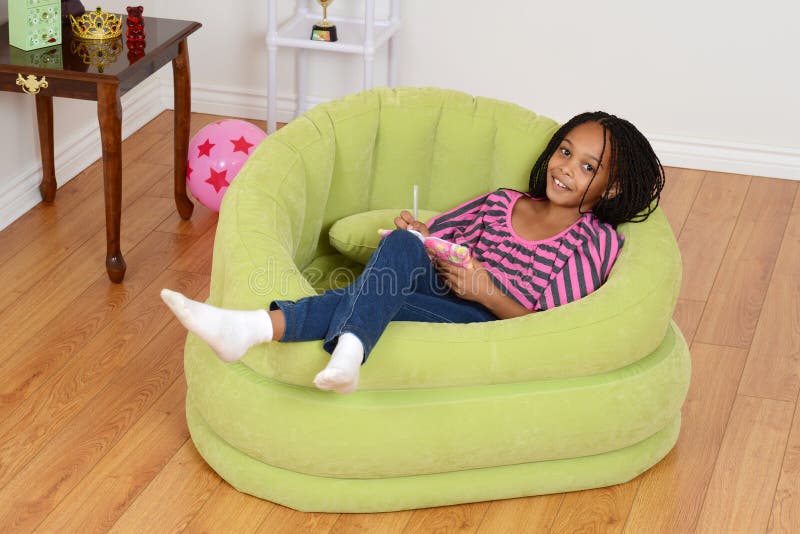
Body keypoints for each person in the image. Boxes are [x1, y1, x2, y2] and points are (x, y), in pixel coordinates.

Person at [161, 111, 665, 394]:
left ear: (613, 187)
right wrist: (419, 232)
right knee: (400, 246)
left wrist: (486, 292)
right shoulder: (502, 202)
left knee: (378, 296)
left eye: (588, 166)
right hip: (442, 289)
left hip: (486, 320)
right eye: (564, 151)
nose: (566, 168)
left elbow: (553, 325)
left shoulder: (591, 242)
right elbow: (434, 239)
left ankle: (251, 328)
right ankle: (351, 349)